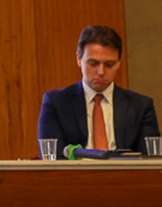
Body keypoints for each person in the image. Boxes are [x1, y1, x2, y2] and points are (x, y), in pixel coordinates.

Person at [37, 25, 160, 158]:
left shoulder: (140, 106)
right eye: (93, 63)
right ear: (79, 59)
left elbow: (149, 161)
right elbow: (54, 160)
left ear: (119, 63)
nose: (101, 72)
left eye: (109, 65)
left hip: (124, 177)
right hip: (75, 177)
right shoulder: (57, 103)